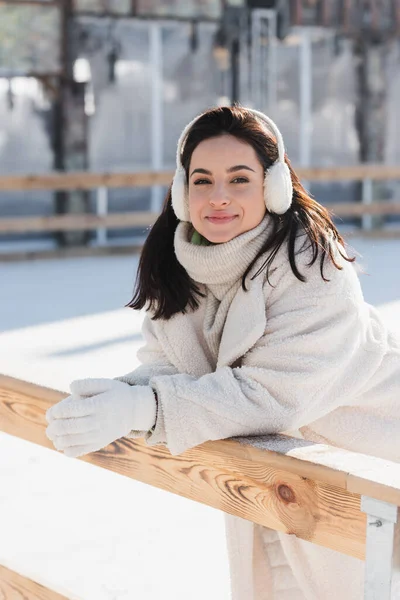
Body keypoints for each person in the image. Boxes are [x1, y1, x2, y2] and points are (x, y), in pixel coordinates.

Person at [45, 105, 400, 599]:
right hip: (274, 474)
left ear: (272, 187)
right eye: (202, 180)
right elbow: (170, 362)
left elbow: (273, 395)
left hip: (365, 468)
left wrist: (145, 408)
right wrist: (123, 395)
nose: (218, 198)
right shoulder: (183, 264)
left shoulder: (314, 267)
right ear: (181, 191)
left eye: (239, 179)